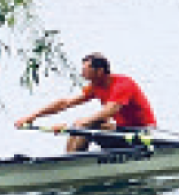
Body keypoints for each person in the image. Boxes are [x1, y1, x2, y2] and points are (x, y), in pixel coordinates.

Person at [14, 53, 156, 152]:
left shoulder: (123, 84)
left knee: (85, 124)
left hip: (142, 134)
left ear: (99, 71)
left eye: (85, 70)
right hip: (122, 132)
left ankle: (76, 163)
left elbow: (111, 109)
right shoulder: (96, 86)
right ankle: (69, 159)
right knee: (79, 124)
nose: (82, 74)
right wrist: (32, 116)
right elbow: (65, 103)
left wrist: (84, 122)